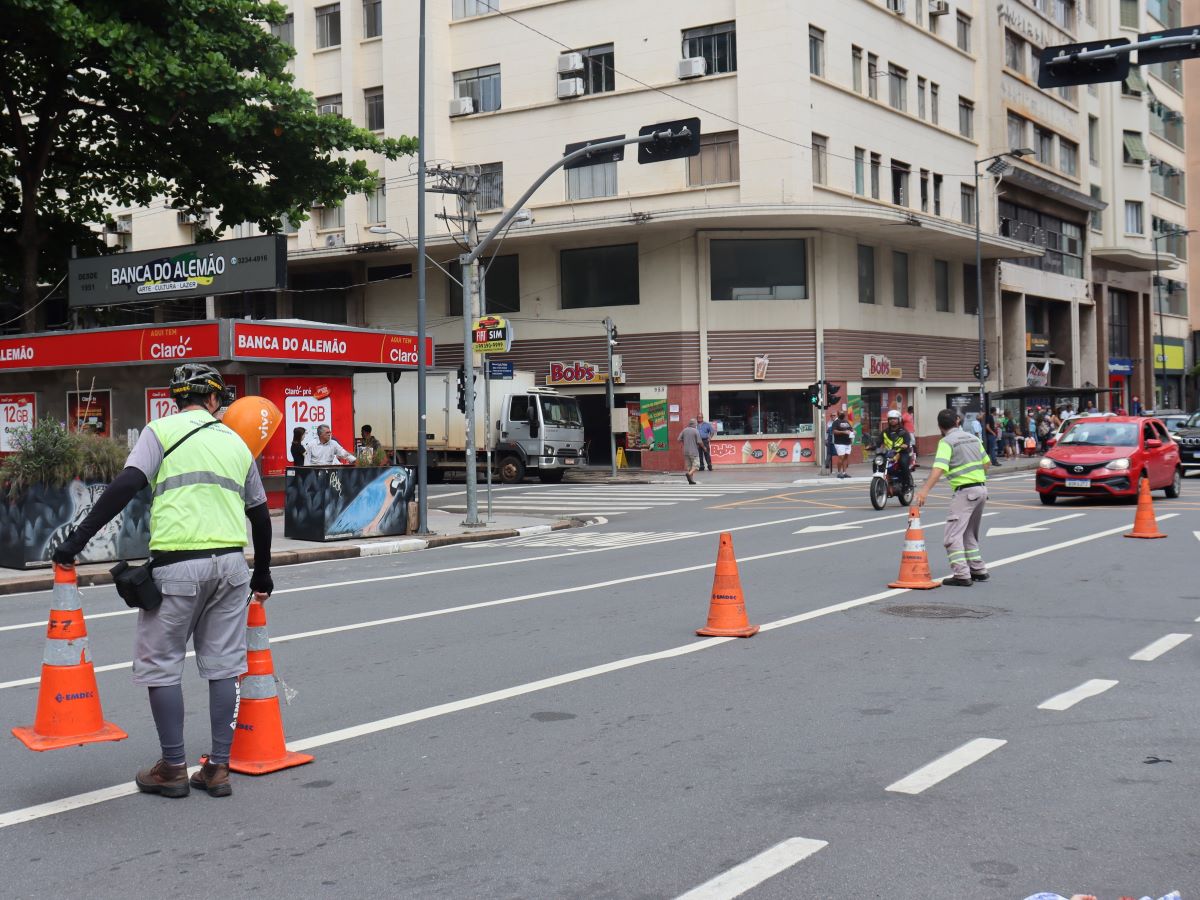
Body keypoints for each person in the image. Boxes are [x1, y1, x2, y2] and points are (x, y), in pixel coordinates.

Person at [51, 363, 273, 799]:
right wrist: (262, 572)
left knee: (162, 664)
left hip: (178, 568)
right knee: (225, 666)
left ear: (177, 398)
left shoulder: (161, 431)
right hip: (231, 567)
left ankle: (173, 767)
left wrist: (76, 539)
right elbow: (261, 515)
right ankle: (218, 768)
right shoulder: (236, 442)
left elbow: (126, 486)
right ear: (213, 399)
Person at [914, 407, 990, 587]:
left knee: (951, 536)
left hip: (965, 492)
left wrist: (924, 491)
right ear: (957, 421)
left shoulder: (947, 442)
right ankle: (978, 570)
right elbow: (986, 463)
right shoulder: (973, 438)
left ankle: (962, 575)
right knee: (969, 533)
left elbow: (939, 468)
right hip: (981, 489)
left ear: (940, 427)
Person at [878, 409, 914, 490]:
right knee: (877, 462)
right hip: (889, 453)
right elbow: (878, 441)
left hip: (902, 452)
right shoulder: (885, 432)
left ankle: (906, 484)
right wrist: (872, 446)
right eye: (890, 419)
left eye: (894, 419)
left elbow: (907, 442)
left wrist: (905, 445)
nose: (892, 420)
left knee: (903, 463)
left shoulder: (904, 432)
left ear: (899, 419)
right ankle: (881, 480)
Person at [831, 408, 854, 478]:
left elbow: (851, 429)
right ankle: (839, 472)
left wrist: (853, 431)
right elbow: (834, 431)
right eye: (841, 413)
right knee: (841, 457)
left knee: (846, 457)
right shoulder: (836, 422)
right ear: (838, 415)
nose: (842, 414)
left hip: (848, 442)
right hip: (839, 443)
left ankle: (844, 472)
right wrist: (843, 432)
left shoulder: (846, 422)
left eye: (843, 413)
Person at [679, 418, 702, 484]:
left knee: (690, 467)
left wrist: (684, 442)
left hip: (686, 451)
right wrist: (704, 447)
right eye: (696, 424)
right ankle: (689, 474)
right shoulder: (695, 431)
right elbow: (699, 442)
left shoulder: (684, 430)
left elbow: (679, 439)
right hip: (694, 451)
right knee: (696, 466)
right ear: (694, 424)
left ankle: (691, 480)